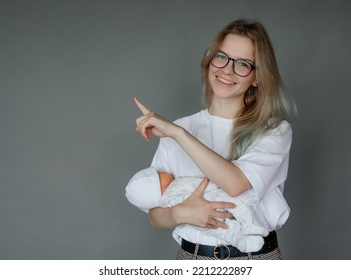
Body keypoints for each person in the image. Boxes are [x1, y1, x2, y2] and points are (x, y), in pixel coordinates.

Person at [126, 18, 297, 260]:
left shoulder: (274, 130)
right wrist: (180, 214)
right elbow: (155, 215)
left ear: (257, 78)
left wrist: (178, 134)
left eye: (243, 64)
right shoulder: (179, 128)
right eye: (222, 57)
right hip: (192, 258)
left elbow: (236, 184)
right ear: (209, 62)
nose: (227, 70)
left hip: (255, 259)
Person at [126, 168, 269, 252]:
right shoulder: (176, 186)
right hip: (198, 248)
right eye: (158, 176)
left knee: (227, 229)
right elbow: (204, 184)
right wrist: (215, 185)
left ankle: (244, 237)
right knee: (238, 210)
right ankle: (250, 228)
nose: (161, 171)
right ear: (156, 189)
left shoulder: (167, 201)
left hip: (207, 228)